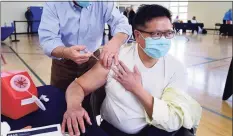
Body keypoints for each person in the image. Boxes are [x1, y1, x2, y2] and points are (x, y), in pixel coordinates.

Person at [62, 4, 202, 136]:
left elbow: (172, 120)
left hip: (154, 131)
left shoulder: (176, 68)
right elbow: (78, 85)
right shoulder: (117, 58)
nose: (163, 40)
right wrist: (74, 106)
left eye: (168, 33)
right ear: (137, 35)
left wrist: (136, 88)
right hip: (112, 130)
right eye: (156, 34)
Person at [38, 1, 132, 91]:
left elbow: (122, 23)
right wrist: (65, 52)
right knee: (58, 96)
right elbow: (48, 39)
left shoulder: (103, 2)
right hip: (62, 60)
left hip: (93, 58)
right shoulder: (54, 3)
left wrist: (115, 42)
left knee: (95, 97)